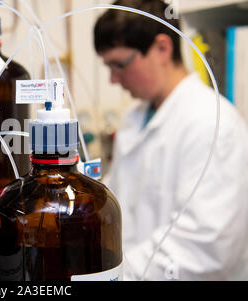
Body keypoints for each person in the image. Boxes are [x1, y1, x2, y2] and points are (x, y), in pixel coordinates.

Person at [94, 0, 248, 280]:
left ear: (162, 48)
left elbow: (206, 249)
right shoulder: (134, 118)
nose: (114, 80)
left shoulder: (213, 124)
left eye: (119, 64)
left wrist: (118, 274)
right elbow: (118, 201)